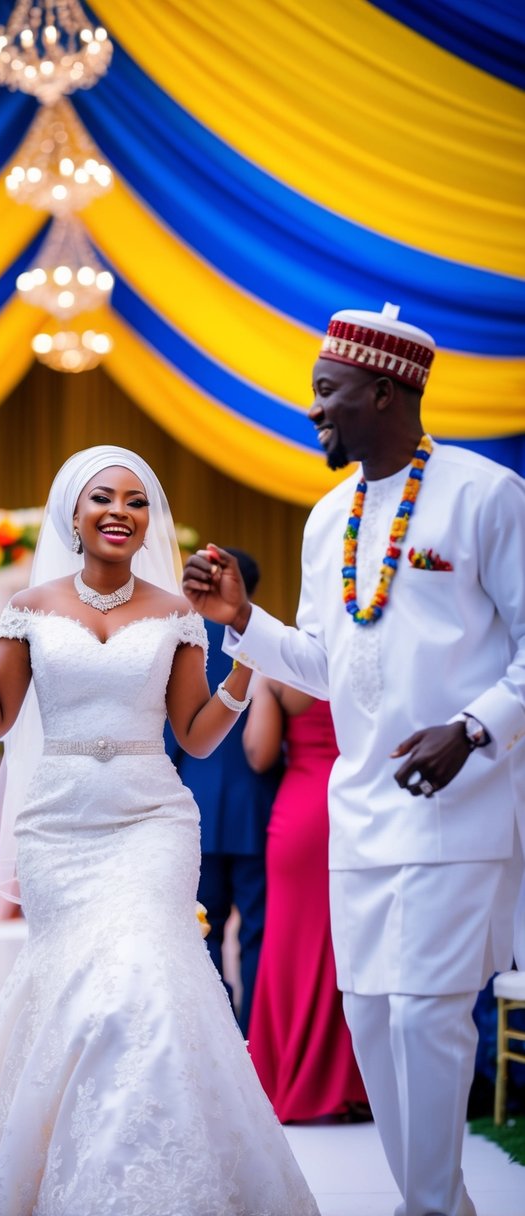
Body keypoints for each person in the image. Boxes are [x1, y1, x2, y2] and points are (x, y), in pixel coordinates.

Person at [0, 445, 319, 1214]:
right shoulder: (30, 606)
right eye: (103, 499)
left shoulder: (178, 612)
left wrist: (243, 665)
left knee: (148, 976)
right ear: (73, 516)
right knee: (81, 992)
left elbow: (196, 736)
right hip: (57, 828)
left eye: (136, 501)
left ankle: (156, 1178)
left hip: (152, 820)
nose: (121, 511)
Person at [183, 303, 525, 1216]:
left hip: (461, 805)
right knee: (372, 1018)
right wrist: (242, 624)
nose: (314, 412)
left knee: (426, 1014)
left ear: (384, 391)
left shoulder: (484, 495)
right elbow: (325, 669)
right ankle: (438, 1204)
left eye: (327, 394)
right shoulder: (327, 517)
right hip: (358, 814)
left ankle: (426, 1209)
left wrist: (474, 727)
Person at [168, 548, 283, 1035]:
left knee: (200, 930)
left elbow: (174, 730)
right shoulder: (271, 639)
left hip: (196, 806)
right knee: (258, 932)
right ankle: (257, 1038)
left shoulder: (189, 637)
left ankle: (216, 1035)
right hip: (258, 806)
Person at [243, 677, 367, 1122]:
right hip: (362, 811)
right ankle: (356, 1086)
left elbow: (260, 754)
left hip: (303, 811)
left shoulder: (283, 669)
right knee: (353, 946)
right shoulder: (368, 657)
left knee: (288, 950)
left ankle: (288, 1082)